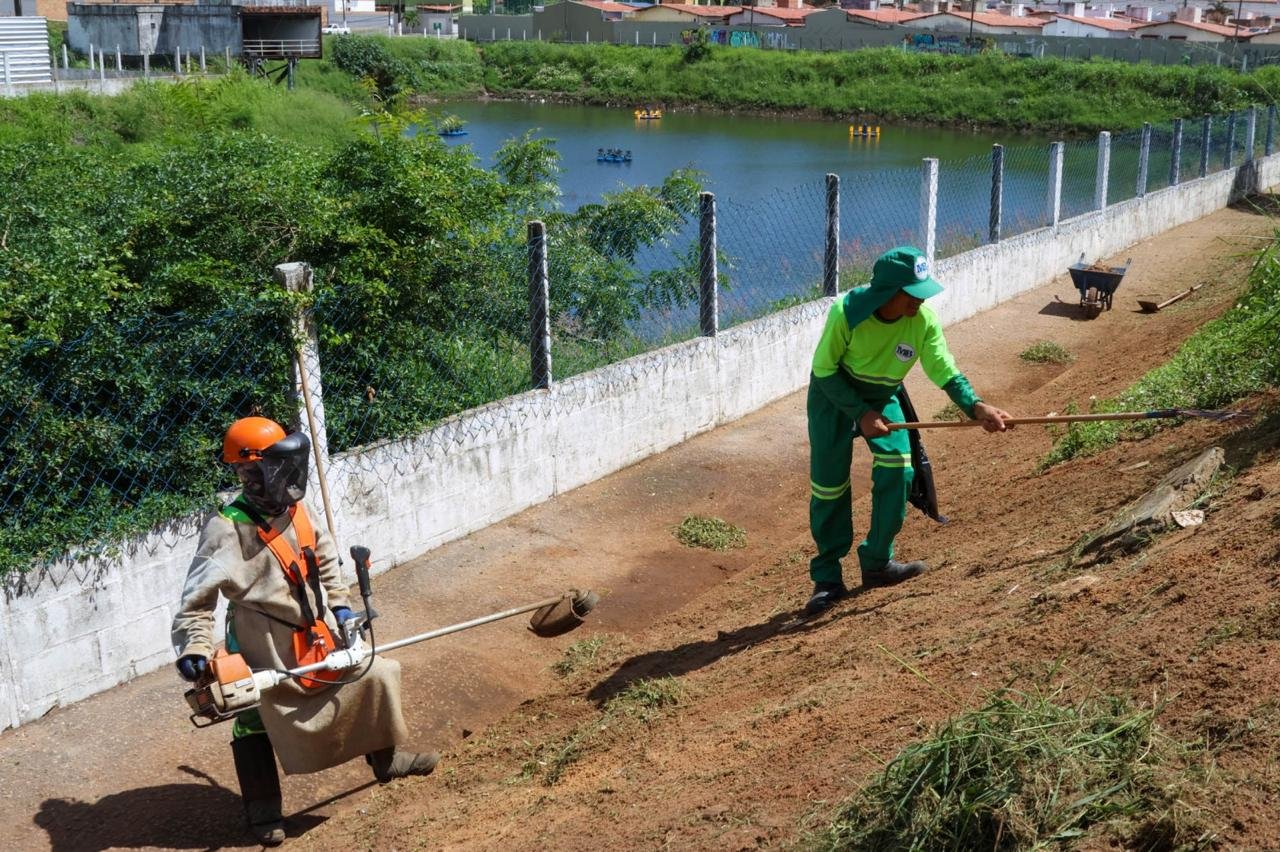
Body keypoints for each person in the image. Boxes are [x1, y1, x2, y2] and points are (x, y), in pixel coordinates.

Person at [172, 417, 439, 845]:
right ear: (246, 471)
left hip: (317, 630)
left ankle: (386, 761)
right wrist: (194, 649)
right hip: (261, 641)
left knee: (372, 675)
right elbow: (196, 602)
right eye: (262, 469)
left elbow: (327, 561)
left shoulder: (300, 511)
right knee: (255, 717)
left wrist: (341, 605)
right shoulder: (226, 528)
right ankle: (263, 812)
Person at [804, 246, 1012, 616]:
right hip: (833, 396)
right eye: (912, 293)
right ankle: (827, 579)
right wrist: (860, 413)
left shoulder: (923, 321)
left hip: (882, 395)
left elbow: (943, 368)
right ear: (888, 292)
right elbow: (823, 369)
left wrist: (975, 406)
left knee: (899, 470)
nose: (921, 300)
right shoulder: (847, 313)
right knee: (829, 487)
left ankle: (877, 562)